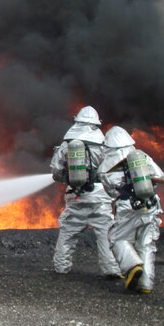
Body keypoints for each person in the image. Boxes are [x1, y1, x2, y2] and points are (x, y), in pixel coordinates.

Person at [50, 106, 121, 278]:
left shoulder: (67, 145)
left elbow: (56, 171)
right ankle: (111, 269)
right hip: (100, 196)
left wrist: (69, 177)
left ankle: (61, 267)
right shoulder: (103, 146)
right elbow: (110, 171)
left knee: (67, 233)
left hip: (76, 196)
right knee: (105, 234)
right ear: (96, 125)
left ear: (77, 122)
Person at [99, 126, 164, 293]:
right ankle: (146, 285)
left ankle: (132, 265)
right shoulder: (141, 156)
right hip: (151, 204)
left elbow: (111, 191)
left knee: (117, 238)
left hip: (128, 206)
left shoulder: (105, 165)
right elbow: (159, 176)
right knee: (146, 244)